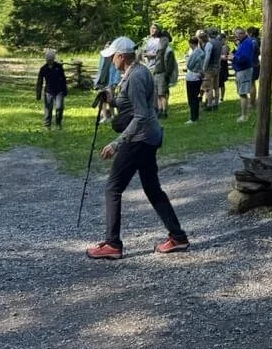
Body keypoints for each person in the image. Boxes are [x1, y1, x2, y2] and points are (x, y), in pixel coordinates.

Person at [87, 37, 189, 259]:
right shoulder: (137, 71)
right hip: (148, 138)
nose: (111, 60)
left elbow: (140, 116)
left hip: (138, 140)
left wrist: (116, 143)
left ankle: (113, 244)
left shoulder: (135, 77)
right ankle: (178, 237)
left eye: (113, 56)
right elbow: (132, 104)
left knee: (113, 188)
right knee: (152, 189)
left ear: (121, 56)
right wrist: (112, 100)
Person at [36, 48, 68, 129]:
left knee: (59, 107)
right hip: (48, 91)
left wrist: (65, 90)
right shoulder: (43, 69)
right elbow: (40, 81)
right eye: (48, 60)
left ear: (54, 59)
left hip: (59, 91)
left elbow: (63, 79)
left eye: (51, 60)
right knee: (48, 109)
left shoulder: (59, 67)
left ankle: (58, 123)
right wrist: (38, 94)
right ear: (46, 60)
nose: (50, 61)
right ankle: (47, 125)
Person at [231, 27, 256, 123]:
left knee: (243, 93)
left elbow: (244, 58)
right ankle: (243, 114)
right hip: (241, 70)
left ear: (242, 34)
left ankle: (244, 116)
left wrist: (233, 58)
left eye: (237, 35)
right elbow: (239, 55)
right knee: (241, 92)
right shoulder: (242, 43)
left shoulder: (247, 43)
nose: (236, 37)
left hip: (244, 70)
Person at [156, 31, 179, 119]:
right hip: (157, 73)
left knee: (163, 94)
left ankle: (164, 111)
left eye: (162, 39)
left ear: (165, 40)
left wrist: (167, 75)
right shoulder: (159, 49)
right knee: (158, 94)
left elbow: (170, 65)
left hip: (163, 74)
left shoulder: (168, 51)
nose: (160, 40)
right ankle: (160, 110)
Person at [184, 34, 205, 124]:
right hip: (199, 76)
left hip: (192, 77)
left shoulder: (195, 53)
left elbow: (190, 65)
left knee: (192, 98)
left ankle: (193, 118)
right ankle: (195, 116)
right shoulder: (202, 52)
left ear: (191, 44)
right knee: (196, 98)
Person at [200, 28, 222, 112]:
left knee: (208, 87)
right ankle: (216, 104)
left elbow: (207, 57)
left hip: (210, 68)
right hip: (217, 67)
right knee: (216, 87)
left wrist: (204, 68)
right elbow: (219, 56)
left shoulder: (209, 44)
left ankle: (209, 105)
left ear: (208, 34)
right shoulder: (219, 43)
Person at [247, 26, 261, 109]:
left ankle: (252, 103)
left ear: (251, 33)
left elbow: (251, 52)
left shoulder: (253, 41)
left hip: (252, 65)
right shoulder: (257, 40)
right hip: (256, 64)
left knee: (251, 84)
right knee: (252, 84)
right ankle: (252, 101)